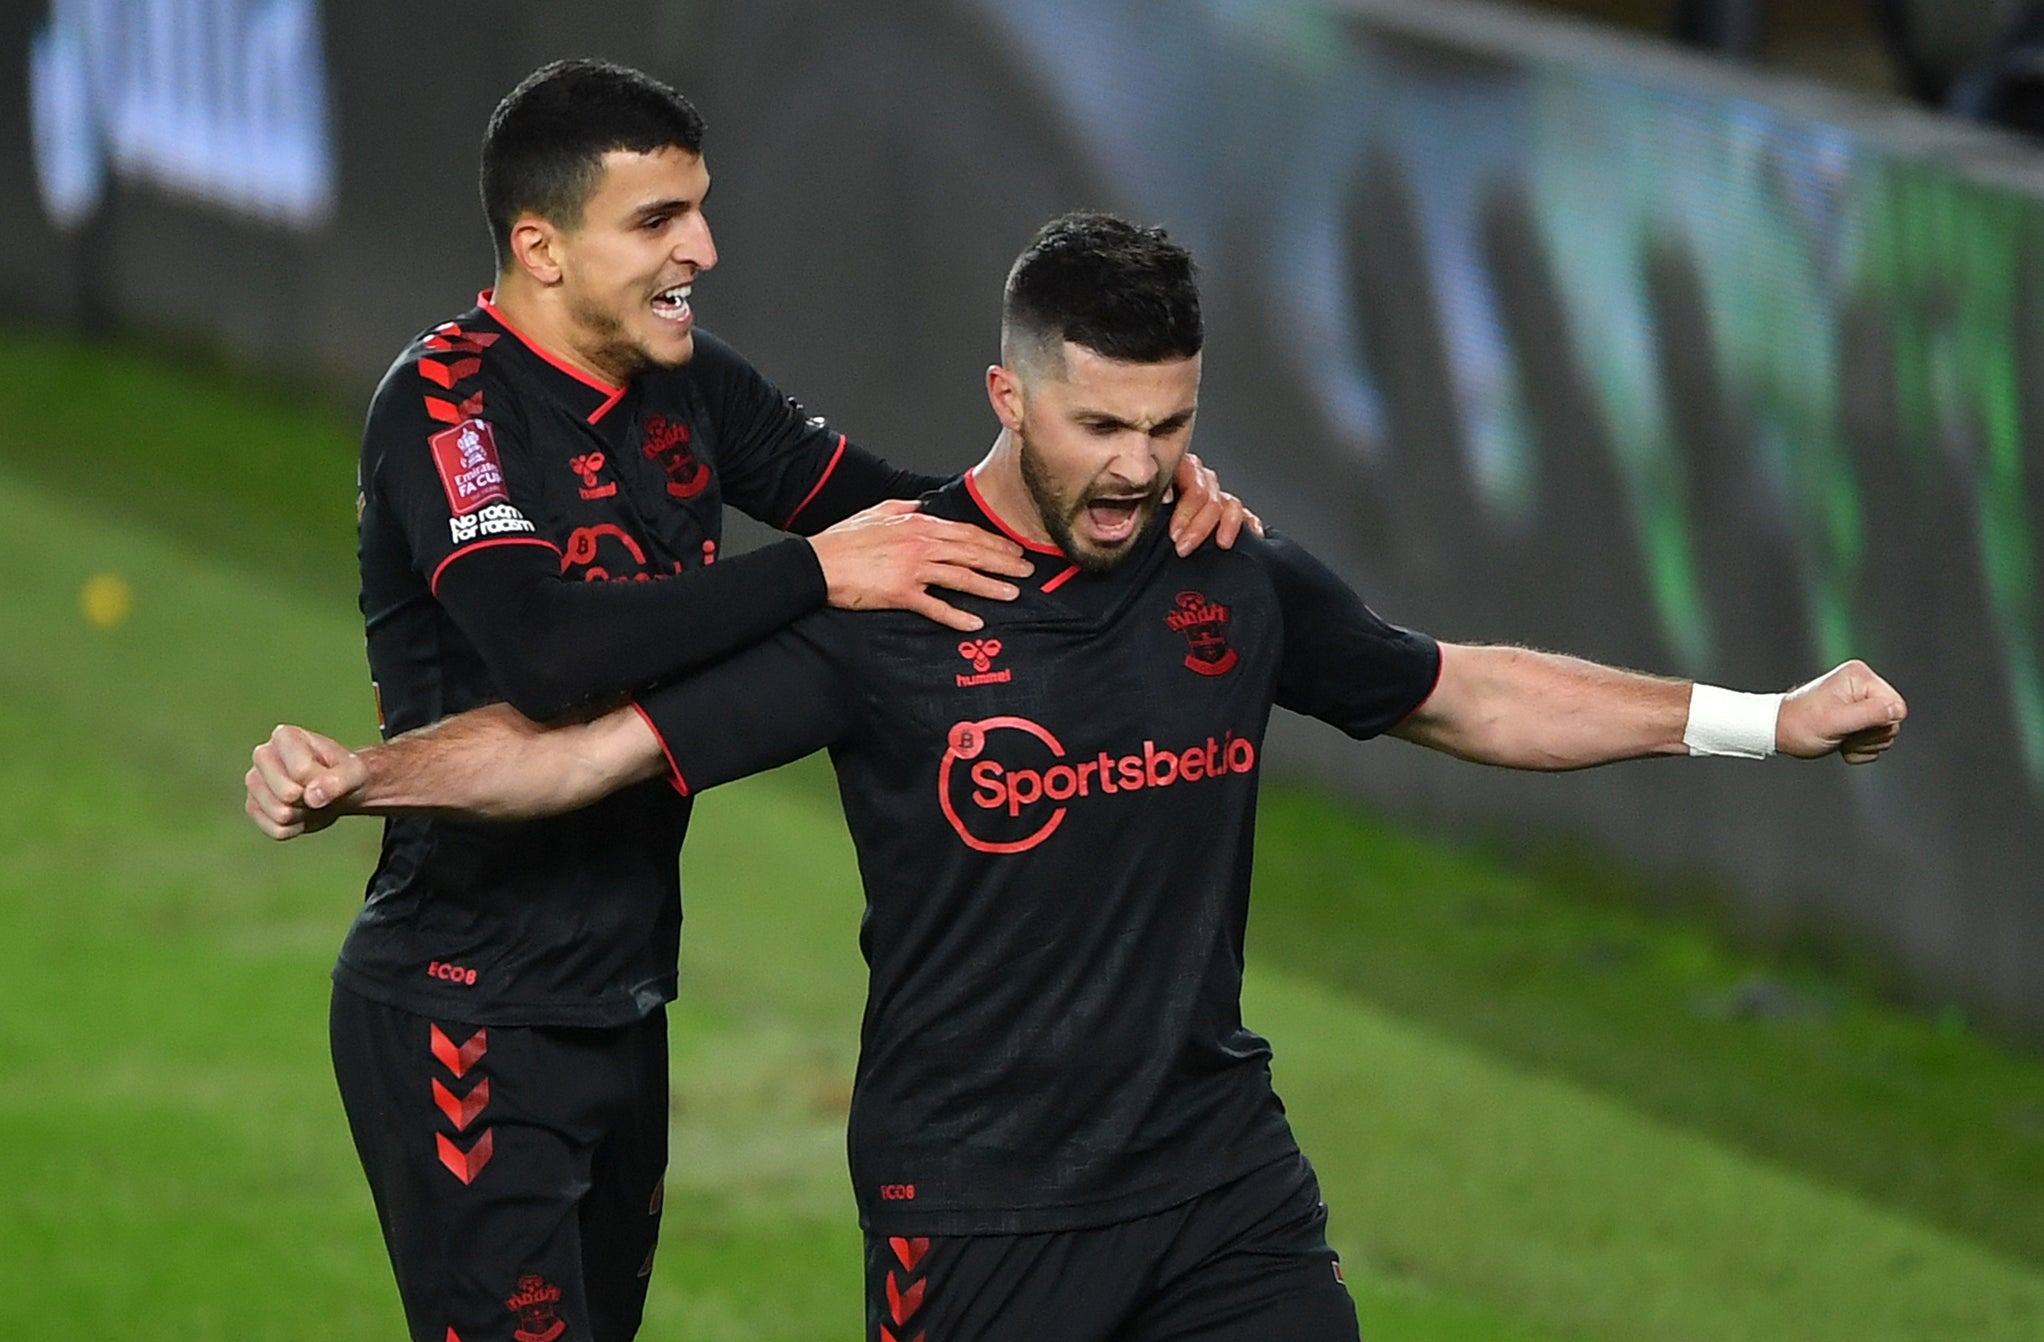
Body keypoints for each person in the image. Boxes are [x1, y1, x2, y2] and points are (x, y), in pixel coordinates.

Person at [251, 212, 1906, 1341]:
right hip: (971, 1209)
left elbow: (1458, 693)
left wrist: (1758, 721)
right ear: (1006, 394)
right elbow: (578, 756)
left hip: (1209, 1171)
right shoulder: (891, 589)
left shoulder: (1226, 572)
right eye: (1098, 425)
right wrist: (360, 778)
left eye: (1164, 426)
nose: (1133, 468)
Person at [323, 58, 1250, 1342]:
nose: (701, 247)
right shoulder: (446, 406)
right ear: (539, 246)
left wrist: (1130, 489)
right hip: (464, 1006)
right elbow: (542, 649)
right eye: (657, 221)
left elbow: (929, 520)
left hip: (620, 998)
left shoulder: (692, 388)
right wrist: (817, 568)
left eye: (698, 209)